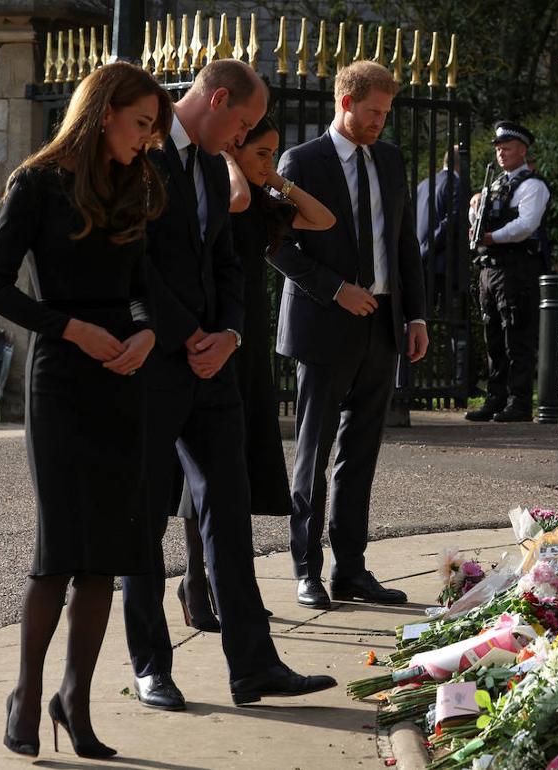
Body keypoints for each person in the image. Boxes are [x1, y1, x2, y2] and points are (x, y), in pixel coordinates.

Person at [121, 58, 336, 711]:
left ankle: (254, 665)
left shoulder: (215, 164)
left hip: (216, 367)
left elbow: (229, 264)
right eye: (243, 122)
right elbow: (133, 261)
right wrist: (189, 333)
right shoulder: (143, 154)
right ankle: (151, 666)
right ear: (218, 101)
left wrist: (234, 334)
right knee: (143, 522)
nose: (244, 135)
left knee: (229, 519)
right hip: (158, 363)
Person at [0, 62, 170, 758]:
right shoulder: (37, 184)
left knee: (107, 556)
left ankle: (75, 700)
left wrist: (147, 331)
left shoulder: (140, 184)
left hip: (122, 380)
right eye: (141, 124)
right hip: (62, 377)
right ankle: (27, 697)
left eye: (154, 128)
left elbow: (145, 287)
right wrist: (71, 329)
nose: (147, 140)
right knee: (59, 551)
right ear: (103, 113)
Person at [271, 60, 428, 610]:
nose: (382, 122)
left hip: (383, 325)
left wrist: (416, 315)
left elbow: (403, 240)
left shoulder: (389, 158)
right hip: (324, 323)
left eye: (386, 112)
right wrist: (335, 289)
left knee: (361, 453)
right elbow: (276, 245)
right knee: (314, 452)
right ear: (346, 102)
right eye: (374, 112)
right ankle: (306, 569)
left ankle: (351, 570)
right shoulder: (301, 162)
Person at [175, 115, 336, 631]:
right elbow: (237, 198)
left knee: (238, 469)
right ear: (235, 146)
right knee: (206, 471)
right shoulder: (222, 192)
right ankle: (197, 583)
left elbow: (322, 219)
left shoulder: (266, 200)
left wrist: (277, 176)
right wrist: (229, 157)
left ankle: (225, 584)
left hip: (248, 339)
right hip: (214, 333)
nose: (271, 162)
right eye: (262, 153)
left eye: (275, 154)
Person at [465, 120, 552, 423]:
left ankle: (519, 403)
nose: (501, 153)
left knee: (516, 336)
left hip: (517, 269)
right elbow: (477, 219)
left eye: (508, 148)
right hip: (491, 269)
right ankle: (496, 399)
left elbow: (525, 226)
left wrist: (491, 237)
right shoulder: (495, 184)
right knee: (493, 338)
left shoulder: (532, 186)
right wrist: (475, 207)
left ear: (523, 151)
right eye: (499, 148)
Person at [415, 146, 461, 312]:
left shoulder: (423, 185)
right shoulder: (456, 184)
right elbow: (451, 223)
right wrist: (428, 249)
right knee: (449, 321)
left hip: (421, 262)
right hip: (443, 264)